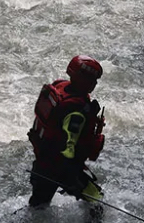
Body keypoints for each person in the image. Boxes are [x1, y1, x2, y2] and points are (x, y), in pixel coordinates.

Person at [27, 55, 106, 214]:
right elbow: (69, 147)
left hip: (43, 162)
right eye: (92, 80)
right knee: (97, 200)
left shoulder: (61, 86)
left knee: (37, 209)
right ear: (83, 80)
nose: (95, 84)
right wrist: (71, 175)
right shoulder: (76, 110)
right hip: (59, 167)